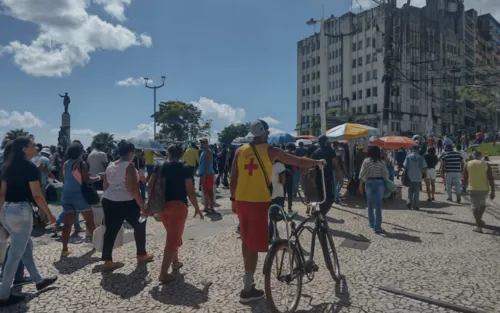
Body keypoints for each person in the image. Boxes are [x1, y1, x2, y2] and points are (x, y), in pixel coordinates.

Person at [230, 119, 324, 303]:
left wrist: (233, 199)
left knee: (246, 240)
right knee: (254, 245)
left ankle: (247, 282)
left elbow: (234, 177)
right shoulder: (270, 150)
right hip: (258, 202)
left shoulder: (239, 151)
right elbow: (298, 161)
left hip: (241, 200)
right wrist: (317, 162)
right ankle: (247, 290)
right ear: (265, 132)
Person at [0, 138, 58, 307]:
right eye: (33, 145)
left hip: (7, 211)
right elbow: (37, 195)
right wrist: (49, 214)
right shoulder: (30, 167)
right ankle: (3, 294)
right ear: (24, 149)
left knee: (26, 246)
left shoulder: (6, 166)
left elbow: (2, 194)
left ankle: (38, 280)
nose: (36, 147)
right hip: (21, 212)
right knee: (14, 255)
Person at [148, 145, 203, 283]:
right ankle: (163, 274)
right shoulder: (185, 169)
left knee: (172, 234)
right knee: (172, 239)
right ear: (182, 154)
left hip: (162, 206)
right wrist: (197, 207)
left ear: (167, 153)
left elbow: (150, 185)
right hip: (178, 206)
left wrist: (149, 204)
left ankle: (175, 262)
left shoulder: (159, 167)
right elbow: (190, 191)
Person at [101, 140, 154, 271]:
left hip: (109, 200)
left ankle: (107, 260)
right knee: (140, 225)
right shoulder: (129, 166)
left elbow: (105, 185)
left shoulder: (111, 165)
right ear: (131, 153)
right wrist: (142, 206)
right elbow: (133, 189)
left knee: (110, 230)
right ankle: (141, 254)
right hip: (127, 201)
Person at [59, 144, 99, 256]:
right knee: (89, 221)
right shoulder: (81, 164)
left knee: (67, 224)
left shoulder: (66, 164)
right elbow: (88, 180)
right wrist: (99, 177)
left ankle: (65, 249)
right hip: (79, 196)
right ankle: (98, 245)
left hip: (66, 195)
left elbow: (62, 179)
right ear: (80, 152)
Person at [358, 146, 389, 233]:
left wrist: (360, 185)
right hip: (380, 183)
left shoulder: (366, 161)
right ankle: (377, 226)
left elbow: (362, 174)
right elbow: (386, 175)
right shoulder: (382, 162)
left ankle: (371, 223)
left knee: (370, 203)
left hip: (369, 182)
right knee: (379, 204)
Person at [464, 150, 495, 233]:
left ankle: (478, 225)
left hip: (472, 188)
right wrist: (493, 191)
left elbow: (465, 178)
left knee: (474, 207)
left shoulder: (467, 164)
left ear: (473, 156)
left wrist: (467, 185)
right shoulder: (486, 164)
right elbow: (491, 178)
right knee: (482, 205)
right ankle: (479, 221)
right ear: (481, 156)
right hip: (484, 188)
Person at [311, 135, 342, 215]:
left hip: (318, 179)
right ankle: (322, 214)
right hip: (328, 179)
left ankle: (322, 216)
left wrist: (312, 180)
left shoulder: (315, 152)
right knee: (331, 198)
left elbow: (312, 167)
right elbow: (336, 165)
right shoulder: (330, 151)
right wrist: (340, 178)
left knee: (322, 199)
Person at [403, 145, 427, 210]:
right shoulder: (421, 157)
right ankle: (416, 206)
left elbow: (405, 165)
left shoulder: (408, 157)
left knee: (410, 190)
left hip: (410, 176)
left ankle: (409, 202)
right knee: (416, 192)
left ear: (412, 149)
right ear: (418, 149)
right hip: (418, 176)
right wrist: (425, 175)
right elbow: (424, 167)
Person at [269, 160, 286, 241]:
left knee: (271, 214)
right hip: (277, 193)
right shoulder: (280, 165)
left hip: (269, 193)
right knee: (274, 215)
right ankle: (269, 236)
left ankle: (275, 234)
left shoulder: (268, 163)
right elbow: (282, 181)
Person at [198, 138, 216, 213]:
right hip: (204, 174)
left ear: (207, 143)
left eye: (203, 142)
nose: (201, 144)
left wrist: (204, 174)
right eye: (201, 142)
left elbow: (208, 164)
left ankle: (211, 206)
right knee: (205, 191)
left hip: (208, 174)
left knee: (209, 191)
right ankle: (206, 207)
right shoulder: (203, 152)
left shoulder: (208, 151)